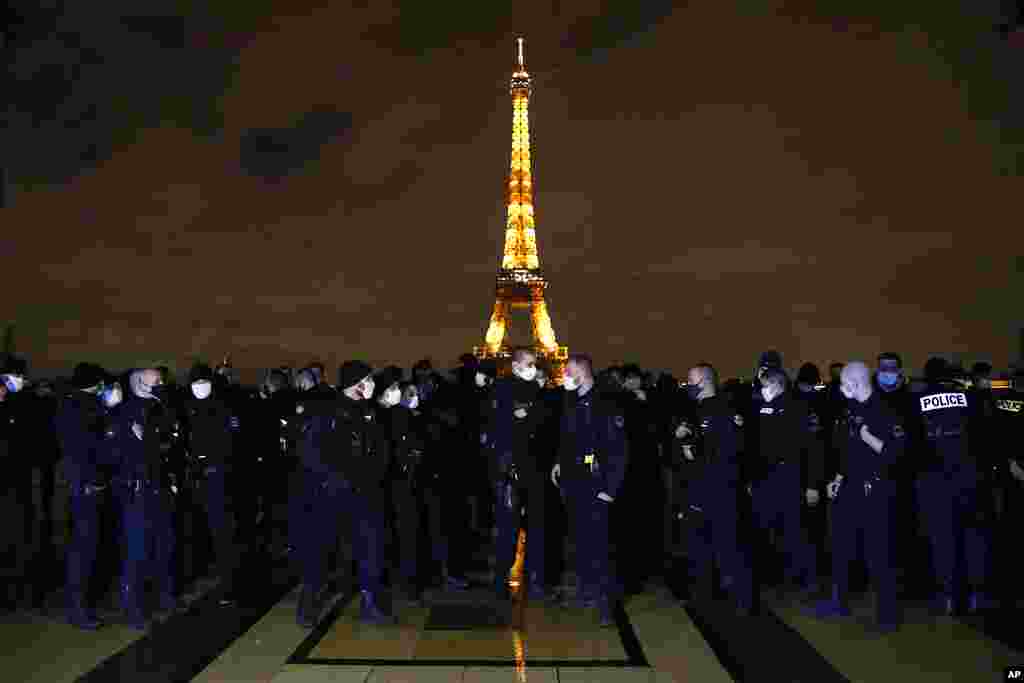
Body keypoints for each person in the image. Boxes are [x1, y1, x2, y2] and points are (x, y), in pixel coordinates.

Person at [813, 362, 907, 633]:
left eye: (844, 382)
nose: (841, 388)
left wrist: (869, 439)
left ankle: (887, 613)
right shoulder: (848, 410)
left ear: (855, 382)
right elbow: (845, 451)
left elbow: (897, 454)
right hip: (849, 488)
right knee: (840, 548)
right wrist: (837, 479)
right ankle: (838, 601)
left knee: (879, 553)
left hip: (876, 490)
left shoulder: (887, 410)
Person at [551, 353, 628, 626]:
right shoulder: (573, 400)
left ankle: (605, 603)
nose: (564, 376)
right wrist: (559, 462)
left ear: (581, 373)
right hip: (574, 483)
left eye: (568, 371)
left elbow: (619, 450)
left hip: (596, 484)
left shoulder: (605, 402)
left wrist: (610, 488)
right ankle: (587, 591)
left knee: (600, 545)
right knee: (581, 542)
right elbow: (568, 438)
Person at [914, 357, 992, 614]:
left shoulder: (918, 401)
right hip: (970, 478)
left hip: (935, 480)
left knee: (943, 539)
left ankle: (948, 596)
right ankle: (976, 595)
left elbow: (913, 445)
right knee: (973, 537)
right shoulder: (969, 398)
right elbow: (982, 437)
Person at [677, 364, 754, 615]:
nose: (688, 385)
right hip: (697, 487)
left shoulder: (725, 408)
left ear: (706, 381)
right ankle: (703, 596)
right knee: (698, 545)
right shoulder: (693, 409)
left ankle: (742, 599)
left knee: (728, 545)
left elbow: (730, 450)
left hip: (722, 488)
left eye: (692, 380)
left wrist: (695, 450)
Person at [484, 348, 551, 600]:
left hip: (531, 468)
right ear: (515, 366)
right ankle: (502, 579)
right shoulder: (502, 389)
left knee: (535, 526)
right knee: (508, 526)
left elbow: (540, 423)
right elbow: (500, 425)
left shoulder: (535, 391)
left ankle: (534, 579)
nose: (533, 368)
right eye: (529, 363)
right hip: (510, 469)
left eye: (535, 364)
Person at [748, 367, 821, 598]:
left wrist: (812, 484)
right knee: (767, 529)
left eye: (765, 385)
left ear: (777, 384)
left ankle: (808, 578)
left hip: (790, 476)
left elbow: (813, 448)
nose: (762, 389)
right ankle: (777, 575)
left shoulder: (799, 407)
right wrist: (752, 477)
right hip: (765, 478)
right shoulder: (760, 407)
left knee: (796, 530)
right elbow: (756, 445)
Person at [55, 363, 110, 629]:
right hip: (86, 486)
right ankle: (79, 610)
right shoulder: (87, 407)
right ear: (95, 383)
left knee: (80, 547)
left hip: (78, 484)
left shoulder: (69, 403)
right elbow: (91, 448)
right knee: (84, 549)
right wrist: (92, 481)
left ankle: (78, 606)